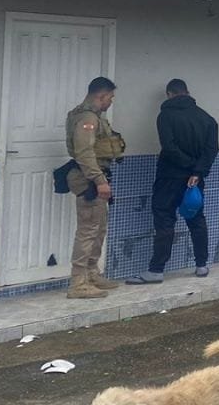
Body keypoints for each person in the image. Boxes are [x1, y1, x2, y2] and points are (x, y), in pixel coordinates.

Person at [127, 79, 219, 284]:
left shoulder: (165, 116)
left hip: (169, 176)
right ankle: (201, 265)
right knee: (196, 218)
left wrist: (188, 167)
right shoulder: (207, 118)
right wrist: (197, 171)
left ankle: (156, 270)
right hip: (194, 180)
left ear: (169, 94)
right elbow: (212, 149)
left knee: (164, 219)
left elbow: (168, 147)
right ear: (188, 92)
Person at [64, 77, 125, 299]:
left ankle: (91, 274)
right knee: (88, 230)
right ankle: (78, 283)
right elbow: (84, 152)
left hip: (95, 176)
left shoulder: (92, 115)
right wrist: (100, 181)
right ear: (101, 95)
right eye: (110, 97)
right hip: (88, 179)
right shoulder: (87, 118)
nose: (111, 101)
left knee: (98, 228)